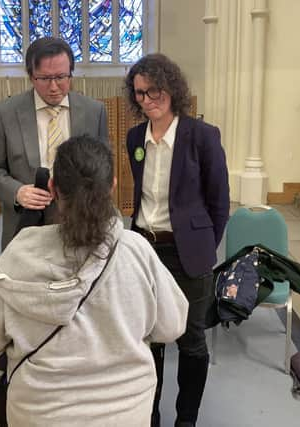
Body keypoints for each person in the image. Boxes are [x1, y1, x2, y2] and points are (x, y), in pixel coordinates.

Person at [0, 135, 188, 426]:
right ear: (113, 187)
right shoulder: (137, 251)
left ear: (52, 189)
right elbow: (172, 326)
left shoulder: (19, 254)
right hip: (126, 414)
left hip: (40, 414)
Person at [124, 53, 230, 427]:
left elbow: (219, 202)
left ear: (172, 88)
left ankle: (186, 419)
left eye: (155, 89)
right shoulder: (135, 137)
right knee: (148, 339)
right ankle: (148, 415)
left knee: (191, 340)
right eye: (139, 93)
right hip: (144, 249)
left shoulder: (202, 136)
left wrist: (203, 247)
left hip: (188, 253)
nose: (147, 98)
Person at [0, 36, 108, 249]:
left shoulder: (94, 111)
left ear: (71, 73)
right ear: (31, 76)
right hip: (25, 225)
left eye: (61, 77)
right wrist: (17, 192)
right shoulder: (5, 113)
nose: (54, 87)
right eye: (45, 78)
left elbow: (103, 168)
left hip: (79, 222)